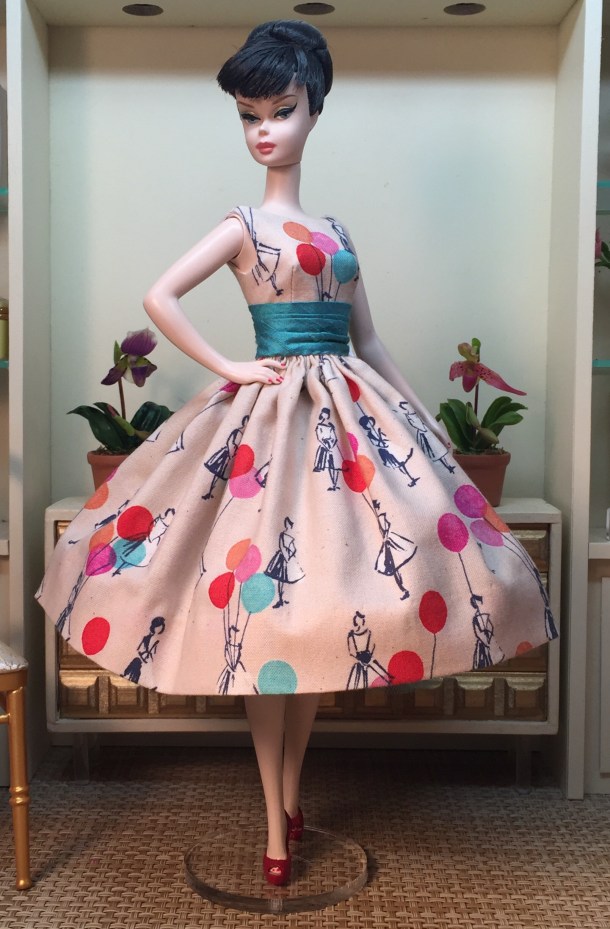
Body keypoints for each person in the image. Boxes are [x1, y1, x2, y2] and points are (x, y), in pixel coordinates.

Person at [36, 20, 557, 887]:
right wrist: (232, 366)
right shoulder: (243, 224)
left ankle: (287, 800)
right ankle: (275, 820)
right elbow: (161, 295)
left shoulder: (336, 228)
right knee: (264, 615)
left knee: (316, 621)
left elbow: (370, 339)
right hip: (268, 429)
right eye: (249, 115)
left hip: (345, 423)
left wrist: (419, 420)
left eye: (280, 110)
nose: (264, 130)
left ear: (315, 110)